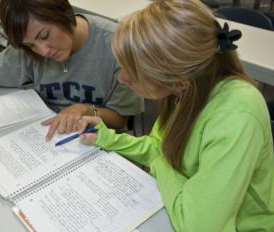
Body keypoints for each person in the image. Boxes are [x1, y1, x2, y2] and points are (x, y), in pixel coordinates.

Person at [78, 0, 274, 231]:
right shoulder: (184, 90)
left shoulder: (236, 116)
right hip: (189, 199)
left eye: (133, 72)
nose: (122, 79)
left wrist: (160, 164)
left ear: (177, 80)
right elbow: (159, 147)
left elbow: (198, 226)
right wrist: (105, 137)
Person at [0, 0, 143, 140]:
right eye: (30, 45)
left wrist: (84, 109)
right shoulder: (29, 48)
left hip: (99, 142)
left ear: (63, 14)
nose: (43, 51)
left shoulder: (116, 45)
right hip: (46, 138)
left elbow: (120, 119)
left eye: (45, 35)